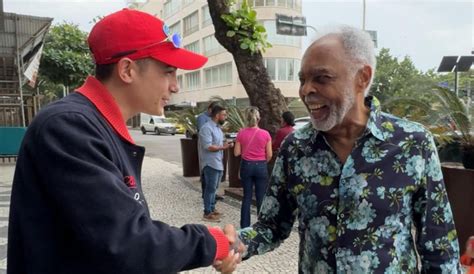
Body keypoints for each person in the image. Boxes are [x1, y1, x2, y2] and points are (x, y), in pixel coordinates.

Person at [8, 9, 242, 273]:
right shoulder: (68, 126)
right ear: (128, 70)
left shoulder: (97, 125)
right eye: (168, 72)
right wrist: (211, 243)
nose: (175, 86)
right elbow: (127, 243)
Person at [237, 25, 461, 272]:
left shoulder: (412, 144)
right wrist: (235, 244)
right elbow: (271, 225)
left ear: (362, 77)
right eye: (303, 79)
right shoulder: (296, 148)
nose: (306, 90)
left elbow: (439, 247)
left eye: (322, 78)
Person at [234, 107, 272, 228]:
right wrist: (262, 162)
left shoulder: (241, 133)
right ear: (258, 119)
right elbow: (269, 154)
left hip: (247, 166)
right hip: (261, 166)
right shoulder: (265, 134)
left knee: (247, 196)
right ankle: (261, 225)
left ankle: (244, 226)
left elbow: (236, 153)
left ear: (246, 119)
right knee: (261, 197)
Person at [199, 105, 233, 222]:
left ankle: (212, 209)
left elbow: (220, 142)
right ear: (217, 115)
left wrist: (227, 143)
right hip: (210, 163)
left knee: (215, 188)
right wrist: (223, 147)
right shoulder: (206, 128)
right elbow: (208, 146)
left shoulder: (218, 128)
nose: (225, 117)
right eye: (224, 114)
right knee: (210, 188)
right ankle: (207, 213)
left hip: (218, 162)